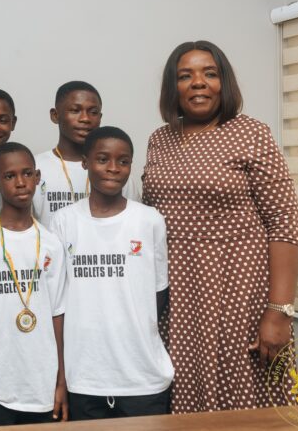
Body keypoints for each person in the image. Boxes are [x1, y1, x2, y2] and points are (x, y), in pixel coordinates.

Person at [141, 40, 298, 413]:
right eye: (185, 76)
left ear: (223, 82)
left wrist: (279, 311)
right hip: (176, 297)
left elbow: (284, 223)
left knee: (244, 396)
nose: (198, 82)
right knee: (181, 393)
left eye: (209, 74)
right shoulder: (159, 139)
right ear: (173, 87)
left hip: (238, 293)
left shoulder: (251, 133)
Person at [51, 127, 173, 420]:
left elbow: (158, 293)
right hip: (84, 377)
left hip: (142, 376)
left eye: (123, 161)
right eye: (103, 159)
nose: (113, 168)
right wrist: (61, 376)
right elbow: (58, 304)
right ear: (85, 162)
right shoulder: (63, 221)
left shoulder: (150, 220)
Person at [0, 142, 67, 427]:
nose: (21, 182)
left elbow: (58, 314)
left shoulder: (51, 242)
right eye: (10, 176)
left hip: (40, 381)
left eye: (27, 174)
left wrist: (61, 379)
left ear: (37, 177)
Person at [34, 82, 140, 227]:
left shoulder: (117, 172)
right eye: (75, 110)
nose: (85, 118)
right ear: (55, 115)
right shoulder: (35, 167)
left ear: (100, 117)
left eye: (93, 112)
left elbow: (134, 221)